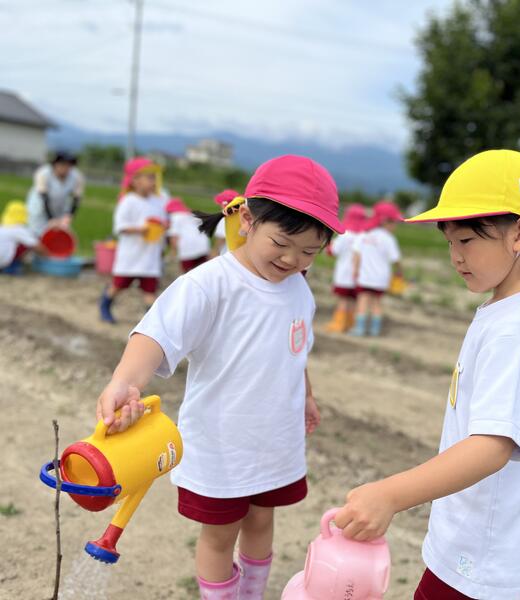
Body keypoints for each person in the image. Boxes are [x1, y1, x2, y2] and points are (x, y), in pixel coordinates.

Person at [334, 150, 520, 599]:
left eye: (465, 241)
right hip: (485, 539)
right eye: (449, 243)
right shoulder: (512, 312)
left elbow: (491, 447)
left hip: (482, 554)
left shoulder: (515, 331)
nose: (455, 256)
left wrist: (390, 495)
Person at [94, 155, 344, 599]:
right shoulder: (210, 284)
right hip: (223, 443)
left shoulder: (299, 289)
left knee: (262, 520)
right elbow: (156, 335)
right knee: (219, 535)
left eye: (310, 251)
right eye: (282, 243)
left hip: (275, 440)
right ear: (247, 219)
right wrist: (124, 382)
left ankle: (250, 594)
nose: (293, 259)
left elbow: (295, 351)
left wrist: (306, 395)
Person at [98, 157, 167, 324]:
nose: (153, 182)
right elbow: (120, 227)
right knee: (119, 285)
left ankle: (152, 322)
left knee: (149, 290)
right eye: (149, 178)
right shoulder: (128, 201)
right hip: (131, 255)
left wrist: (162, 227)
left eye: (154, 178)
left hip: (150, 255)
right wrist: (141, 229)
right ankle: (105, 305)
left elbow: (163, 221)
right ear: (135, 181)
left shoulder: (158, 201)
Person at [350, 201, 403, 336]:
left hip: (364, 276)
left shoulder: (364, 235)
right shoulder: (388, 239)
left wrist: (355, 270)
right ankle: (374, 330)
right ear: (385, 221)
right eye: (393, 222)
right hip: (381, 278)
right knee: (376, 303)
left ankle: (359, 329)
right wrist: (399, 272)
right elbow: (396, 259)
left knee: (362, 301)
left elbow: (356, 255)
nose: (395, 226)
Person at [323, 203, 368, 332]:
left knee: (342, 300)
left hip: (343, 275)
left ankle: (339, 323)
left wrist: (329, 246)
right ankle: (350, 323)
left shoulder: (345, 235)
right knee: (353, 300)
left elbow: (333, 251)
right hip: (359, 276)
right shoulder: (364, 236)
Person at [25, 151, 85, 236]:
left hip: (59, 209)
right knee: (36, 235)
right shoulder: (43, 173)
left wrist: (69, 215)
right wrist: (51, 219)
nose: (65, 168)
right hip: (39, 208)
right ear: (55, 164)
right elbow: (43, 197)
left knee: (60, 235)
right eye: (62, 164)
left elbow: (77, 198)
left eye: (69, 165)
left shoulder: (77, 176)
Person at [0, 200, 46, 274]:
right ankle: (12, 267)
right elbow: (36, 245)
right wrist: (48, 255)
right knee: (26, 244)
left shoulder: (2, 226)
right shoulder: (19, 229)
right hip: (4, 262)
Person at [166, 197, 210, 273]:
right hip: (203, 246)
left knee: (187, 274)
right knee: (202, 272)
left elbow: (174, 236)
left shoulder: (175, 216)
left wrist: (173, 251)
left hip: (187, 248)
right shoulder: (192, 214)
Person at [211, 189, 239, 256]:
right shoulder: (241, 215)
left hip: (227, 255)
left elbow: (220, 240)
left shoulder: (225, 218)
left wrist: (213, 253)